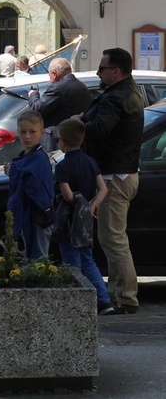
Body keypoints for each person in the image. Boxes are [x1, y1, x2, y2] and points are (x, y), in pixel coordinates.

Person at [80, 47, 144, 314]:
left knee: (113, 240)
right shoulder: (128, 90)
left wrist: (79, 123)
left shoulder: (117, 97)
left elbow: (100, 129)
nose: (98, 72)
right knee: (112, 238)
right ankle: (119, 295)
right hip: (121, 172)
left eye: (103, 68)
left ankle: (126, 299)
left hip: (115, 176)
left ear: (116, 71)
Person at [54, 118, 114, 315]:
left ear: (62, 141)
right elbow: (103, 189)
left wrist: (76, 201)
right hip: (86, 220)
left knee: (72, 262)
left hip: (70, 221)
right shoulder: (91, 162)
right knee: (88, 260)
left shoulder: (62, 167)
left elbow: (68, 196)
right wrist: (93, 204)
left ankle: (77, 302)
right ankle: (104, 301)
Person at [5, 110, 54, 260]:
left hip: (38, 218)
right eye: (23, 132)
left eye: (32, 132)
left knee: (39, 260)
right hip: (27, 216)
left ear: (42, 133)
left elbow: (35, 188)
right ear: (18, 132)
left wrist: (14, 171)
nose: (27, 136)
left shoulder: (39, 158)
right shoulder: (25, 157)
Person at [28, 58, 91, 151]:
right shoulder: (82, 85)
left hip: (58, 141)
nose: (50, 80)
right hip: (77, 139)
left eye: (49, 75)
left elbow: (37, 108)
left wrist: (33, 94)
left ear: (54, 73)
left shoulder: (57, 88)